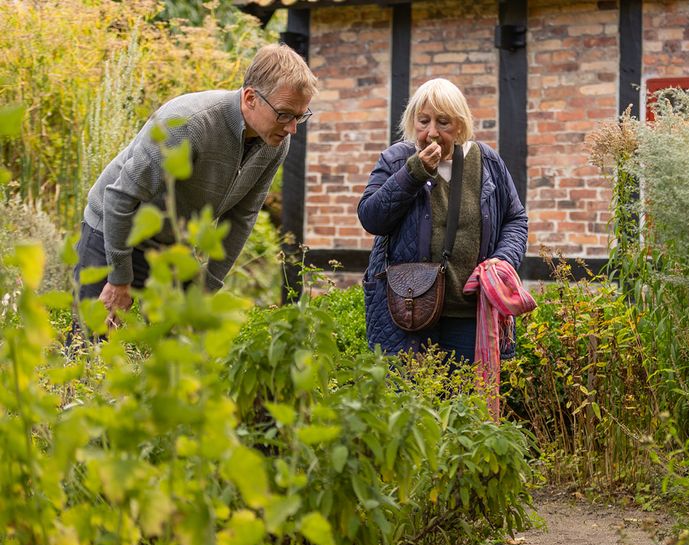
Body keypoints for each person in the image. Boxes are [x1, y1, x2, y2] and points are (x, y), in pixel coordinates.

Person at [74, 43, 318, 329]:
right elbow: (119, 198)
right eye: (284, 114)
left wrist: (208, 285)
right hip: (114, 231)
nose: (292, 128)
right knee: (92, 346)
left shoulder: (274, 143)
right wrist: (119, 279)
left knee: (181, 351)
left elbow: (242, 217)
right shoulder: (188, 124)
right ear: (251, 98)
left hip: (173, 247)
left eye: (300, 116)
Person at [358, 78, 528, 363]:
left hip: (469, 315)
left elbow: (515, 218)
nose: (432, 133)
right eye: (423, 121)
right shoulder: (396, 160)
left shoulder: (487, 162)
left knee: (466, 403)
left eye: (443, 122)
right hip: (409, 313)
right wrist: (414, 173)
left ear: (460, 125)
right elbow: (371, 218)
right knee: (413, 402)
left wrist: (502, 261)